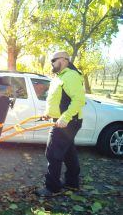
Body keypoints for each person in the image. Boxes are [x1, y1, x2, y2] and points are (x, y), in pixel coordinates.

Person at [36, 51, 86, 197]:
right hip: (62, 120)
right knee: (68, 152)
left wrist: (65, 118)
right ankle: (72, 182)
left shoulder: (71, 75)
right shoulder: (60, 76)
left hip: (68, 122)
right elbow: (57, 100)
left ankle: (52, 188)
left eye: (54, 60)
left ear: (64, 60)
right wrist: (48, 113)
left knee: (52, 153)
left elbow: (78, 100)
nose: (51, 63)